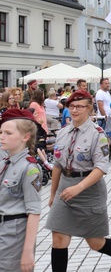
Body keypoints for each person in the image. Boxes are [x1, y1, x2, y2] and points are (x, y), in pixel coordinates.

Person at [45, 90, 111, 272]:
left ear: (89, 109)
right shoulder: (63, 133)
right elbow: (57, 165)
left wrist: (79, 188)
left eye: (80, 106)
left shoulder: (97, 134)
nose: (75, 110)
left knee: (95, 242)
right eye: (72, 106)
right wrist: (53, 193)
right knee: (59, 238)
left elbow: (101, 168)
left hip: (89, 191)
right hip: (65, 189)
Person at [0, 108, 41, 272]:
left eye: (8, 133)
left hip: (14, 237)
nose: (2, 136)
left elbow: (34, 211)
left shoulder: (30, 168)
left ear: (25, 137)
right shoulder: (5, 161)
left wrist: (27, 251)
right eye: (1, 132)